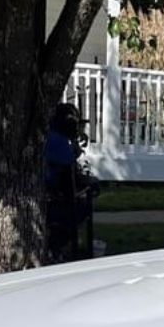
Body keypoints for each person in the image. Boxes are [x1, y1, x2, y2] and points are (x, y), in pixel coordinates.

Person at [44, 101, 91, 262]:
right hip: (52, 203)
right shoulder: (60, 142)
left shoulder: (46, 137)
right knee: (81, 208)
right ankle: (55, 248)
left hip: (43, 197)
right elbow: (68, 173)